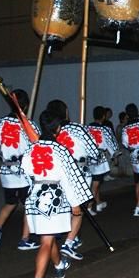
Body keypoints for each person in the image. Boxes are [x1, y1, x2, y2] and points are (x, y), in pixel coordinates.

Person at [22, 110, 93, 278]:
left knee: (48, 236)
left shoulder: (31, 148)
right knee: (47, 240)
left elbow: (24, 173)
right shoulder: (60, 150)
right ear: (58, 128)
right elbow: (69, 179)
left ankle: (59, 264)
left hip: (35, 196)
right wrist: (76, 204)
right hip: (55, 197)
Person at [46, 99, 99, 262]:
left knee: (65, 206)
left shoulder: (46, 133)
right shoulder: (78, 128)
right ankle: (68, 243)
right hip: (79, 173)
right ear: (66, 112)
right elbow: (93, 150)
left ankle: (70, 237)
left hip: (55, 174)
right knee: (79, 209)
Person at [0, 89, 41, 251]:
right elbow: (37, 146)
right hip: (23, 172)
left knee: (10, 202)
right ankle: (25, 239)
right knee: (28, 204)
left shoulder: (0, 122)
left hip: (6, 170)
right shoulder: (29, 125)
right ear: (25, 105)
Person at [87, 106, 119, 215]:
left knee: (95, 181)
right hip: (99, 158)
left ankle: (99, 203)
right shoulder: (105, 129)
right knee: (95, 183)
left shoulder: (87, 128)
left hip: (88, 157)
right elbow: (111, 144)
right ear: (104, 116)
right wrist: (114, 156)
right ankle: (89, 207)